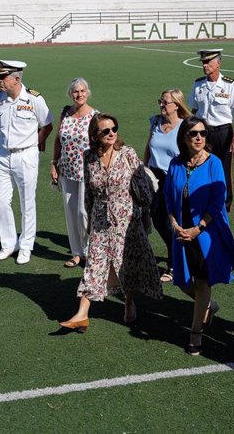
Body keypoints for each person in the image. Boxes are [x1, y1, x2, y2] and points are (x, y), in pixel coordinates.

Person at [59, 113, 162, 332]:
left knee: (127, 263)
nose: (112, 133)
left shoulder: (128, 153)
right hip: (100, 218)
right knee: (94, 263)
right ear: (95, 135)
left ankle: (129, 302)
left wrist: (145, 216)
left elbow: (142, 186)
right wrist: (88, 220)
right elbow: (88, 192)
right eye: (106, 131)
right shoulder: (88, 156)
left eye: (114, 128)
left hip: (127, 218)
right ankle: (82, 314)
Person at [164, 117, 234, 355]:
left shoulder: (214, 163)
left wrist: (198, 229)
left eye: (203, 134)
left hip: (206, 231)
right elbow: (168, 197)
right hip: (181, 229)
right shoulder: (176, 164)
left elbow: (218, 202)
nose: (199, 138)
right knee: (182, 281)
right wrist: (174, 223)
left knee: (202, 280)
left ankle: (195, 333)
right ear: (183, 138)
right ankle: (206, 306)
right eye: (193, 133)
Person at [0, 59, 53, 265]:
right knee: (1, 201)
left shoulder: (34, 99)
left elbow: (47, 124)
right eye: (0, 77)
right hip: (2, 155)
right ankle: (9, 244)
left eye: (3, 77)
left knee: (27, 202)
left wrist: (35, 144)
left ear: (16, 79)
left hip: (26, 155)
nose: (0, 80)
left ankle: (26, 246)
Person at [187, 49, 234, 212]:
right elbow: (193, 111)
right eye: (203, 62)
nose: (205, 65)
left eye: (208, 62)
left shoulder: (229, 85)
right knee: (201, 165)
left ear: (219, 63)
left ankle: (225, 204)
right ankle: (203, 199)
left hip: (223, 132)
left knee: (224, 168)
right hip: (203, 132)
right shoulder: (198, 84)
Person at [143, 88, 191, 283]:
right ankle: (176, 257)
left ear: (177, 105)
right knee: (156, 219)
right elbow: (148, 147)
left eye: (165, 102)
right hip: (153, 178)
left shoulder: (184, 127)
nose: (161, 105)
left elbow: (189, 156)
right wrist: (143, 170)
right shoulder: (155, 122)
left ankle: (174, 263)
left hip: (172, 179)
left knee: (168, 221)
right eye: (160, 101)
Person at [50, 78, 96, 268]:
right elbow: (58, 140)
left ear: (88, 92)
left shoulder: (95, 116)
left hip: (87, 171)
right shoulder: (65, 113)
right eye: (76, 91)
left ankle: (89, 251)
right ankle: (77, 253)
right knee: (70, 213)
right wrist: (54, 164)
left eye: (83, 91)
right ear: (71, 94)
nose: (79, 95)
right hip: (67, 169)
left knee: (83, 212)